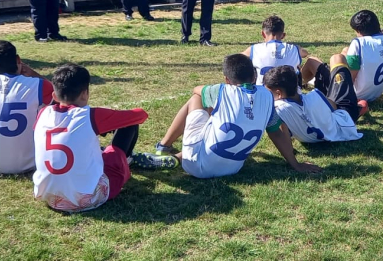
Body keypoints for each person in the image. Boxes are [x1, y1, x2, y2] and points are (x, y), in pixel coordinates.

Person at [146, 54, 322, 176]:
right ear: (254, 76)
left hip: (196, 166)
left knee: (197, 99)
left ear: (227, 80)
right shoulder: (267, 96)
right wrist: (295, 164)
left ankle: (164, 146)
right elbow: (276, 132)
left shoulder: (221, 90)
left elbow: (197, 89)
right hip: (233, 168)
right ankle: (178, 154)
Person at [33, 63, 174, 213]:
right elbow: (139, 115)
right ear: (85, 93)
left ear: (54, 96)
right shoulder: (90, 115)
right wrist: (108, 123)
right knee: (128, 127)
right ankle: (126, 162)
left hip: (48, 196)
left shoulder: (42, 113)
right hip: (85, 199)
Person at [0, 40, 53, 175]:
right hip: (29, 162)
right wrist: (34, 74)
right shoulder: (38, 84)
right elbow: (62, 97)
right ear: (18, 59)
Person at [264, 65, 362, 144]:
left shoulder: (277, 110)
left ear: (279, 93)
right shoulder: (314, 97)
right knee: (337, 60)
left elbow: (284, 134)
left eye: (268, 92)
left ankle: (360, 107)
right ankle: (360, 107)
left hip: (315, 138)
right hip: (345, 123)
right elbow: (335, 107)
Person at [242, 15, 314, 86]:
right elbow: (306, 53)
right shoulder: (294, 49)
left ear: (263, 34)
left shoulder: (254, 49)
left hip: (264, 95)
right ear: (283, 35)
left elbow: (236, 59)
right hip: (290, 94)